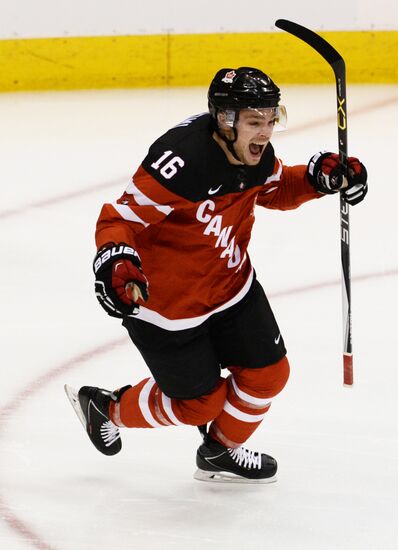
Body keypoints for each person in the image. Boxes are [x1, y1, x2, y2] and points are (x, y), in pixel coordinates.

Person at [65, 67, 367, 483]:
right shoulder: (180, 162)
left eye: (270, 119)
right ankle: (107, 409)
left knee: (269, 374)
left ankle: (219, 452)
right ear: (225, 121)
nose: (265, 133)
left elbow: (274, 189)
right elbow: (121, 218)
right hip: (168, 307)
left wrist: (320, 179)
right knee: (200, 405)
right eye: (254, 122)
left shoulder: (252, 155)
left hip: (230, 288)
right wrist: (116, 261)